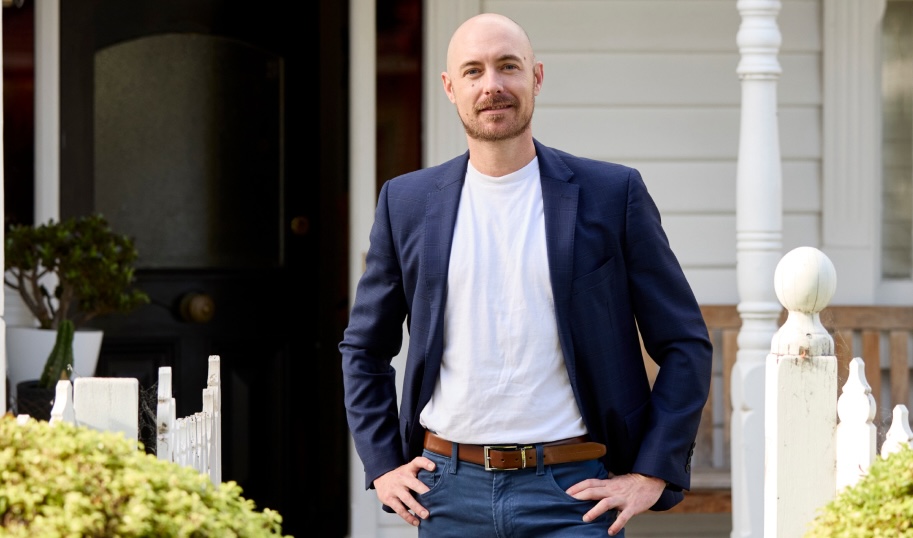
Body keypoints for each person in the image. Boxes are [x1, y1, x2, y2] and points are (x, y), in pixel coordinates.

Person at [340, 12, 713, 537]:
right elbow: (364, 348)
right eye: (473, 71)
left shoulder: (612, 195)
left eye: (507, 66)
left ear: (536, 77)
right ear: (450, 88)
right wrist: (382, 465)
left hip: (575, 496)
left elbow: (685, 343)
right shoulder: (407, 203)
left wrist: (653, 471)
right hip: (447, 494)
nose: (491, 85)